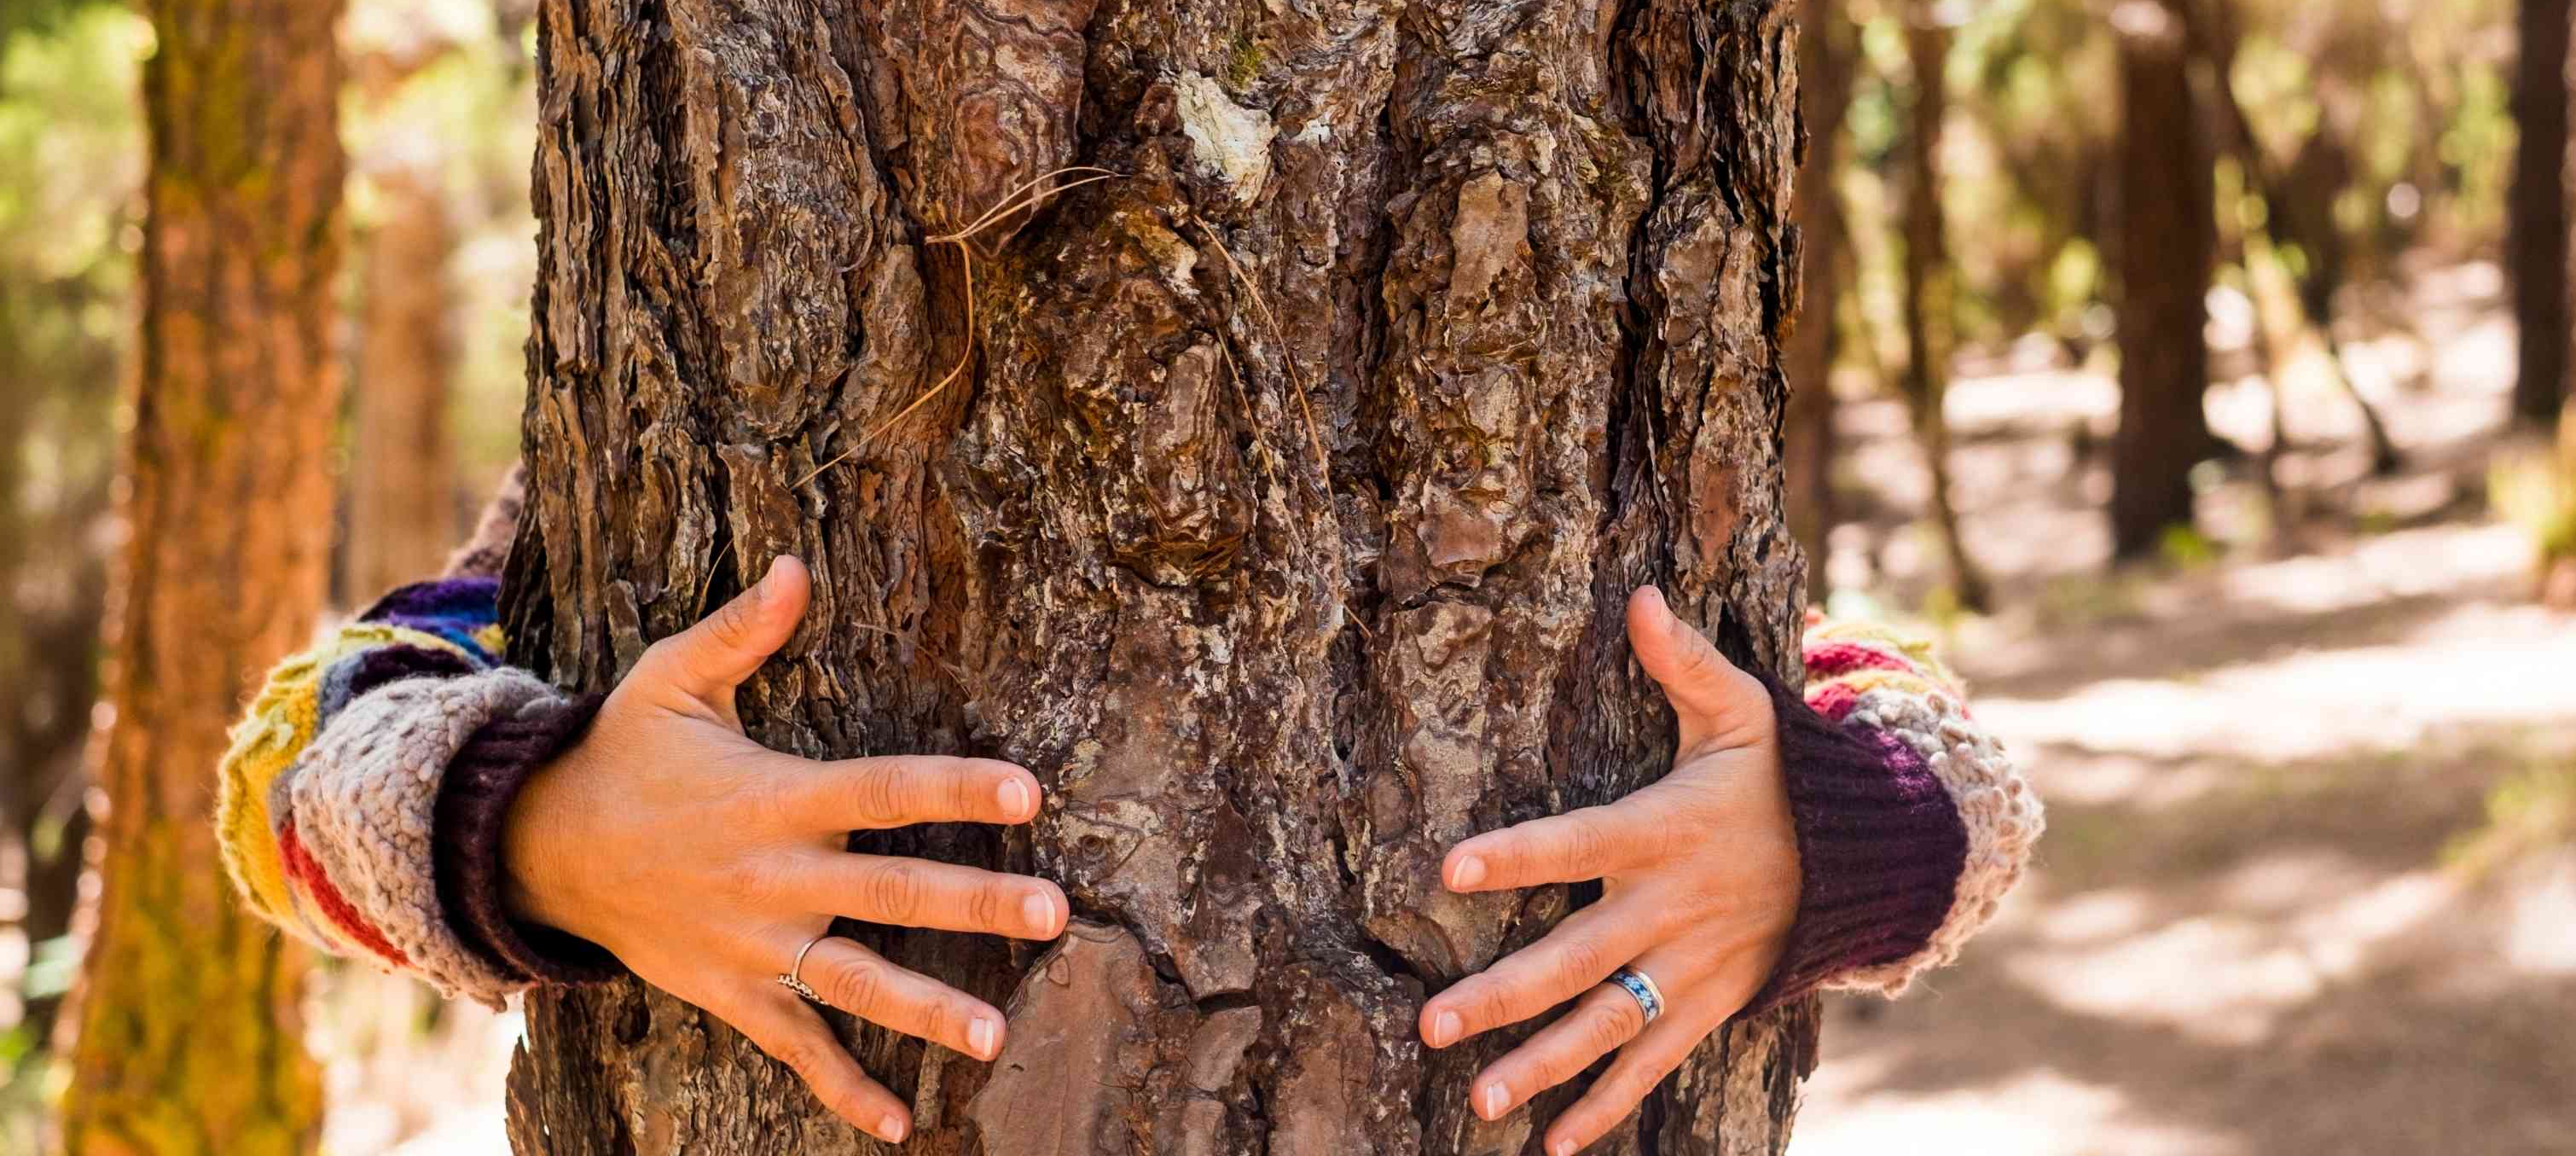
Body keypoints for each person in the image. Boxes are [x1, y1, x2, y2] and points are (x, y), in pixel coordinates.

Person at [219, 470, 2039, 1149]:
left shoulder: (1609, 482)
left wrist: (1830, 836)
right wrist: (539, 831)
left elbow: (1950, 772)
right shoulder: (612, 492)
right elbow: (280, 788)